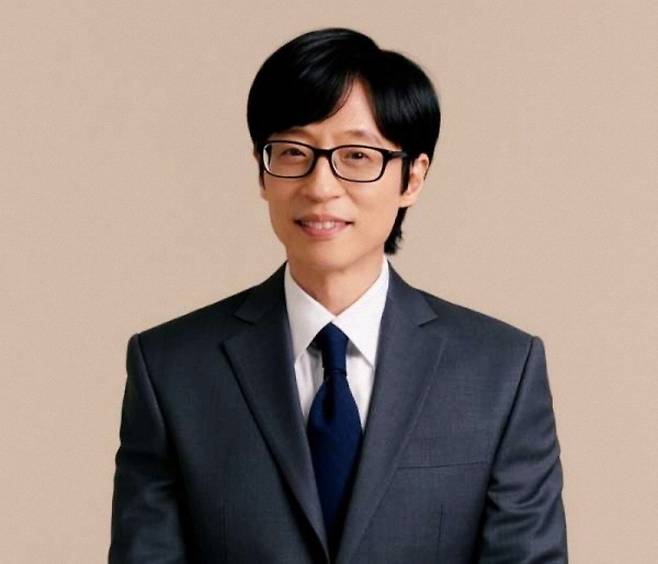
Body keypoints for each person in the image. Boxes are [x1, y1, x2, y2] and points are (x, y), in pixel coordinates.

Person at [109, 27, 568, 563]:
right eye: (293, 152)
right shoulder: (171, 368)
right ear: (262, 172)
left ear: (412, 178)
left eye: (356, 156)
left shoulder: (501, 371)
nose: (321, 186)